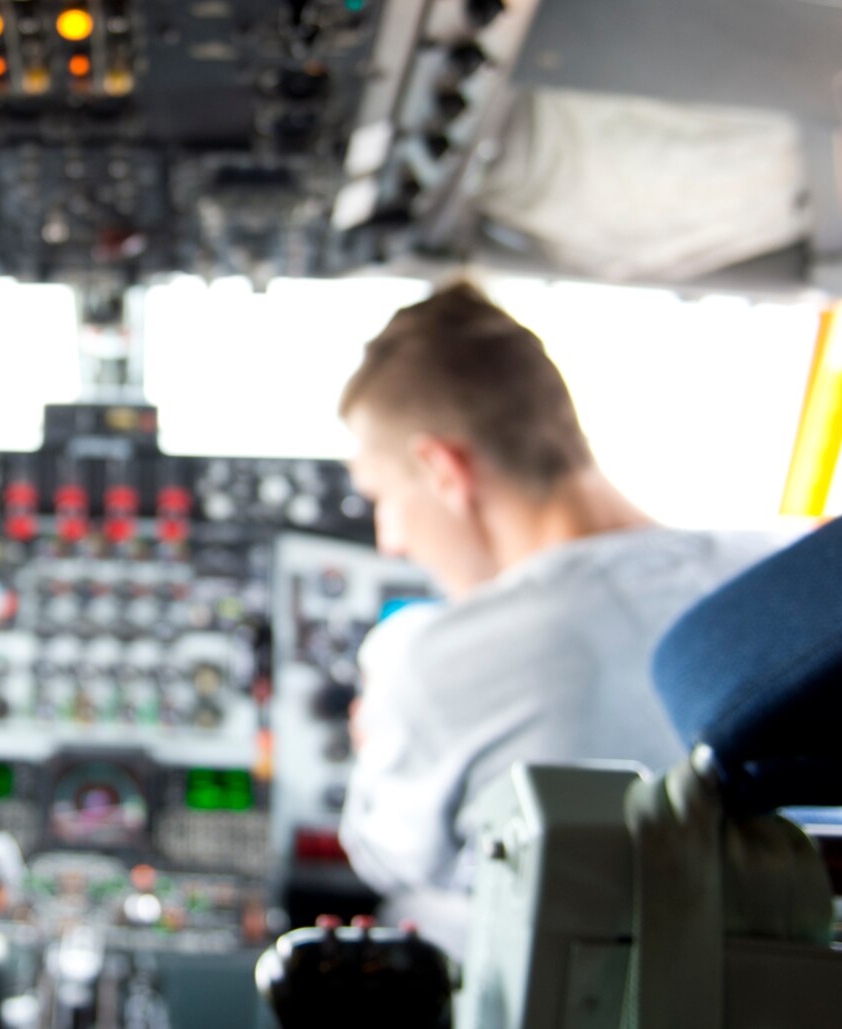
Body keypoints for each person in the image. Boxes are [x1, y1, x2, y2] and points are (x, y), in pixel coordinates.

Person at [334, 282, 780, 952]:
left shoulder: (428, 660)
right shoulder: (782, 573)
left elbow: (386, 853)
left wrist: (377, 738)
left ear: (442, 468)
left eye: (381, 496)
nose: (389, 538)